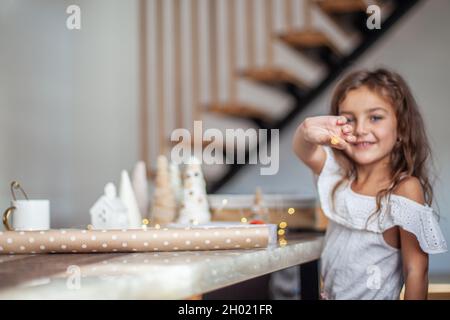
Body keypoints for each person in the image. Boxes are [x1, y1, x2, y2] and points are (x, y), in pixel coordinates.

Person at [292, 68, 447, 299]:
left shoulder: (404, 189)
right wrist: (306, 131)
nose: (361, 129)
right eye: (349, 119)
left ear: (401, 129)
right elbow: (303, 150)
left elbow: (416, 270)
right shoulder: (339, 175)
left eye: (375, 117)